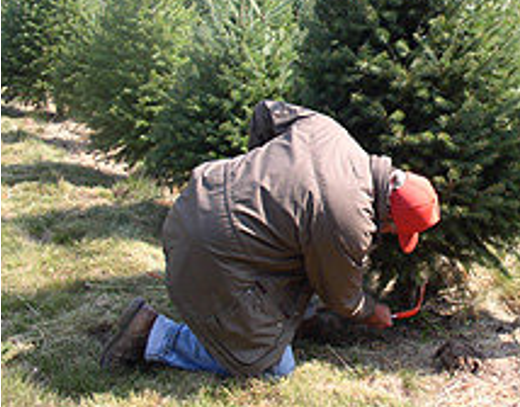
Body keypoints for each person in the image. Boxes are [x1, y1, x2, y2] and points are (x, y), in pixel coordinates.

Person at [101, 100, 440, 377]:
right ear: (390, 218)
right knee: (271, 367)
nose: (387, 236)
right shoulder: (349, 218)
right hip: (210, 252)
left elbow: (266, 112)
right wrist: (372, 311)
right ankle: (155, 336)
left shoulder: (332, 134)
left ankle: (248, 323)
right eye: (395, 232)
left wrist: (256, 169)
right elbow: (342, 298)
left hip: (194, 202)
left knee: (290, 276)